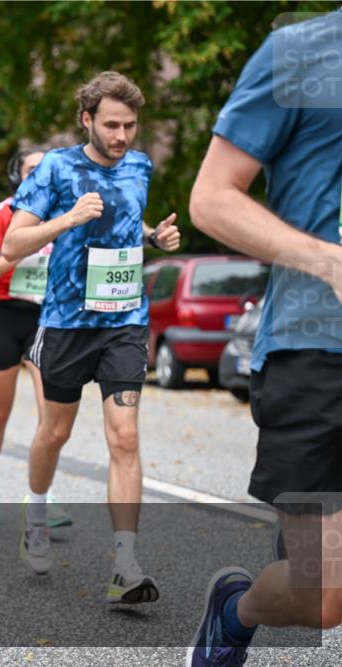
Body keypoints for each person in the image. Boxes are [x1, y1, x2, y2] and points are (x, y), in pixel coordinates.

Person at [185, 12, 342, 665]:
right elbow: (212, 199)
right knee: (322, 595)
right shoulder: (302, 50)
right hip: (317, 348)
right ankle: (236, 607)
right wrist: (327, 260)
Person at [2, 71, 180, 602]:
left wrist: (154, 236)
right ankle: (35, 511)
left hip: (124, 322)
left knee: (124, 437)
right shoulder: (56, 168)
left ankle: (125, 564)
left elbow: (128, 222)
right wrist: (68, 219)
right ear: (86, 119)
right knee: (54, 434)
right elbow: (13, 244)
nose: (122, 136)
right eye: (111, 125)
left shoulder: (141, 166)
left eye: (129, 125)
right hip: (65, 325)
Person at [0, 148, 72, 529]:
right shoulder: (3, 213)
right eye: (33, 169)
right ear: (19, 175)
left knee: (52, 416)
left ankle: (43, 496)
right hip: (1, 317)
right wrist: (23, 246)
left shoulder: (65, 213)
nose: (40, 175)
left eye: (47, 169)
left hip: (46, 318)